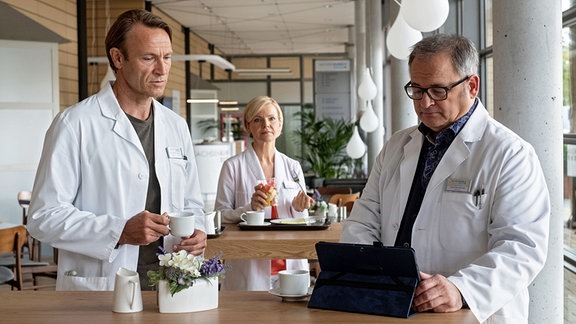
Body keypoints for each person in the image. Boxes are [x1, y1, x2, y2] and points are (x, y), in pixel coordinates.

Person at [340, 34, 550, 323]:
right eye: (416, 89)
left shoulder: (510, 153)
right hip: (393, 307)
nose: (424, 102)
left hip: (471, 312)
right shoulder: (396, 147)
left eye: (438, 90)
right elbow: (363, 221)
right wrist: (366, 273)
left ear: (472, 85)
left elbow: (522, 248)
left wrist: (461, 288)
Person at [27, 9, 206, 291]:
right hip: (103, 287)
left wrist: (199, 230)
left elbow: (192, 204)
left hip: (170, 283)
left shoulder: (176, 126)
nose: (162, 69)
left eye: (167, 57)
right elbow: (43, 217)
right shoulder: (75, 124)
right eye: (149, 58)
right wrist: (119, 231)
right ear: (118, 58)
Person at [215, 96, 314, 291]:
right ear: (248, 126)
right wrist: (249, 208)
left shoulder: (293, 167)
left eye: (271, 119)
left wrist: (299, 207)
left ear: (280, 125)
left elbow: (302, 218)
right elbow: (219, 216)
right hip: (249, 260)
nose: (265, 125)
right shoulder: (233, 167)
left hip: (289, 259)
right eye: (258, 120)